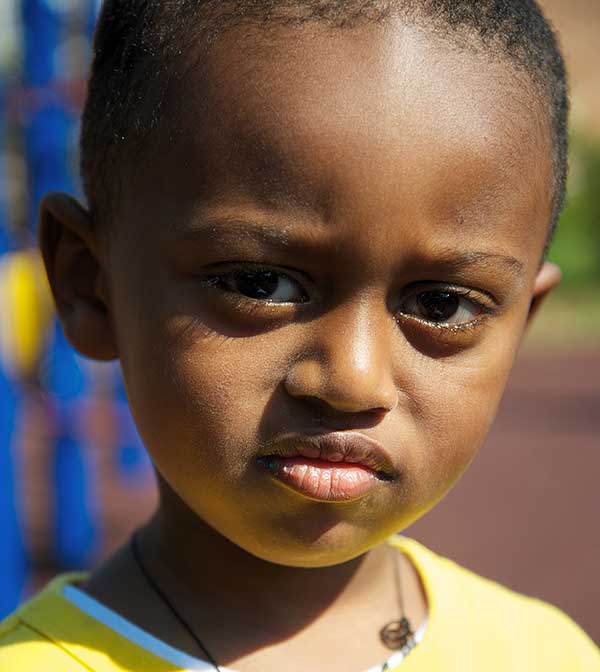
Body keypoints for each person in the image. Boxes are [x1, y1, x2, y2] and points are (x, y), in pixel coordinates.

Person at [1, 1, 599, 670]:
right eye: (260, 285)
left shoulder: (546, 653)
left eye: (442, 303)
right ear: (89, 285)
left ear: (520, 326)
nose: (352, 380)